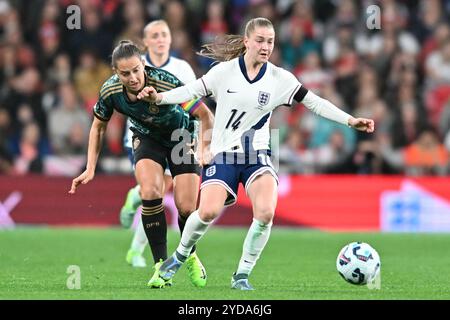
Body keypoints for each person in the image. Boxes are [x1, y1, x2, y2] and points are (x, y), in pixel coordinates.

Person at [137, 17, 375, 290]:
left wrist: (349, 120)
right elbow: (189, 91)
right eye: (260, 40)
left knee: (265, 213)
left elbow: (314, 103)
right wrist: (158, 98)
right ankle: (180, 256)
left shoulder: (279, 78)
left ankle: (241, 275)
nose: (265, 47)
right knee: (206, 212)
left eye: (270, 41)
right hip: (224, 152)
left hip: (257, 155)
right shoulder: (223, 72)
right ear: (247, 41)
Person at [68, 40, 214, 288]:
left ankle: (189, 254)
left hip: (181, 137)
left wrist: (204, 149)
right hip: (147, 138)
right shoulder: (111, 91)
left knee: (187, 208)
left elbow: (205, 114)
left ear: (143, 64)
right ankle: (160, 266)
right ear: (116, 73)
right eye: (125, 73)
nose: (133, 77)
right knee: (150, 192)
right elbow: (98, 125)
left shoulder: (166, 82)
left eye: (136, 70)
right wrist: (90, 166)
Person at [119, 20, 198, 270]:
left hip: (175, 136)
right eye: (155, 35)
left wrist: (194, 134)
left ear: (171, 39)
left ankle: (135, 244)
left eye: (165, 34)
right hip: (143, 136)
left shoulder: (182, 68)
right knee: (157, 191)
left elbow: (194, 102)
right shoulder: (135, 66)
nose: (161, 39)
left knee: (157, 193)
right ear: (146, 42)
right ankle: (138, 250)